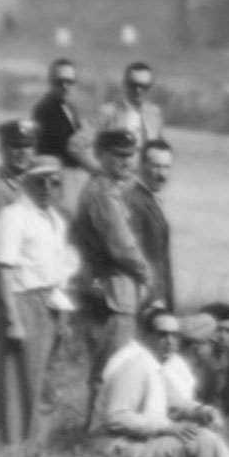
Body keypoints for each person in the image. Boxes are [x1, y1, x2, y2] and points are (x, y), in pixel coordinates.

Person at [93, 312, 229, 457]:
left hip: (140, 441)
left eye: (174, 335)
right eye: (163, 334)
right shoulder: (134, 365)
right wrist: (166, 427)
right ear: (146, 336)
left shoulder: (154, 364)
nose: (170, 341)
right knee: (201, 441)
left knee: (203, 434)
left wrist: (202, 410)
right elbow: (116, 417)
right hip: (120, 448)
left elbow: (173, 400)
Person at [0, 156, 79, 445]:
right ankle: (14, 448)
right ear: (27, 182)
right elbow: (4, 270)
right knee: (19, 382)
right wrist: (14, 320)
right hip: (23, 301)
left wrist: (63, 314)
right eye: (40, 181)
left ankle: (36, 445)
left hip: (50, 301)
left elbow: (61, 267)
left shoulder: (55, 220)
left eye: (54, 182)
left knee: (46, 380)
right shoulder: (14, 216)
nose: (47, 188)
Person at [70, 128, 152, 400]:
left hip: (101, 287)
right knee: (113, 368)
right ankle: (100, 433)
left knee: (106, 368)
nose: (127, 162)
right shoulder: (104, 194)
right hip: (114, 291)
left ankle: (99, 429)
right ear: (101, 155)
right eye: (119, 156)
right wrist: (146, 273)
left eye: (130, 156)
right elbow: (123, 247)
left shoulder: (102, 188)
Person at [75, 60, 165, 172]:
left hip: (141, 184)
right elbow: (76, 145)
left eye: (144, 86)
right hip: (111, 183)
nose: (138, 90)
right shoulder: (108, 112)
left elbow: (159, 152)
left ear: (150, 87)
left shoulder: (154, 114)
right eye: (134, 85)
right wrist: (97, 170)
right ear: (124, 84)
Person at [130, 138, 177, 316]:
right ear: (141, 165)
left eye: (166, 167)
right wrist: (154, 300)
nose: (162, 174)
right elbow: (136, 255)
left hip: (156, 302)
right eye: (156, 166)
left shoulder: (149, 200)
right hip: (145, 304)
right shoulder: (134, 201)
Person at [31, 58, 84, 164]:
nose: (65, 86)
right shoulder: (44, 110)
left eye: (69, 81)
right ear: (50, 81)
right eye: (59, 82)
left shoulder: (70, 108)